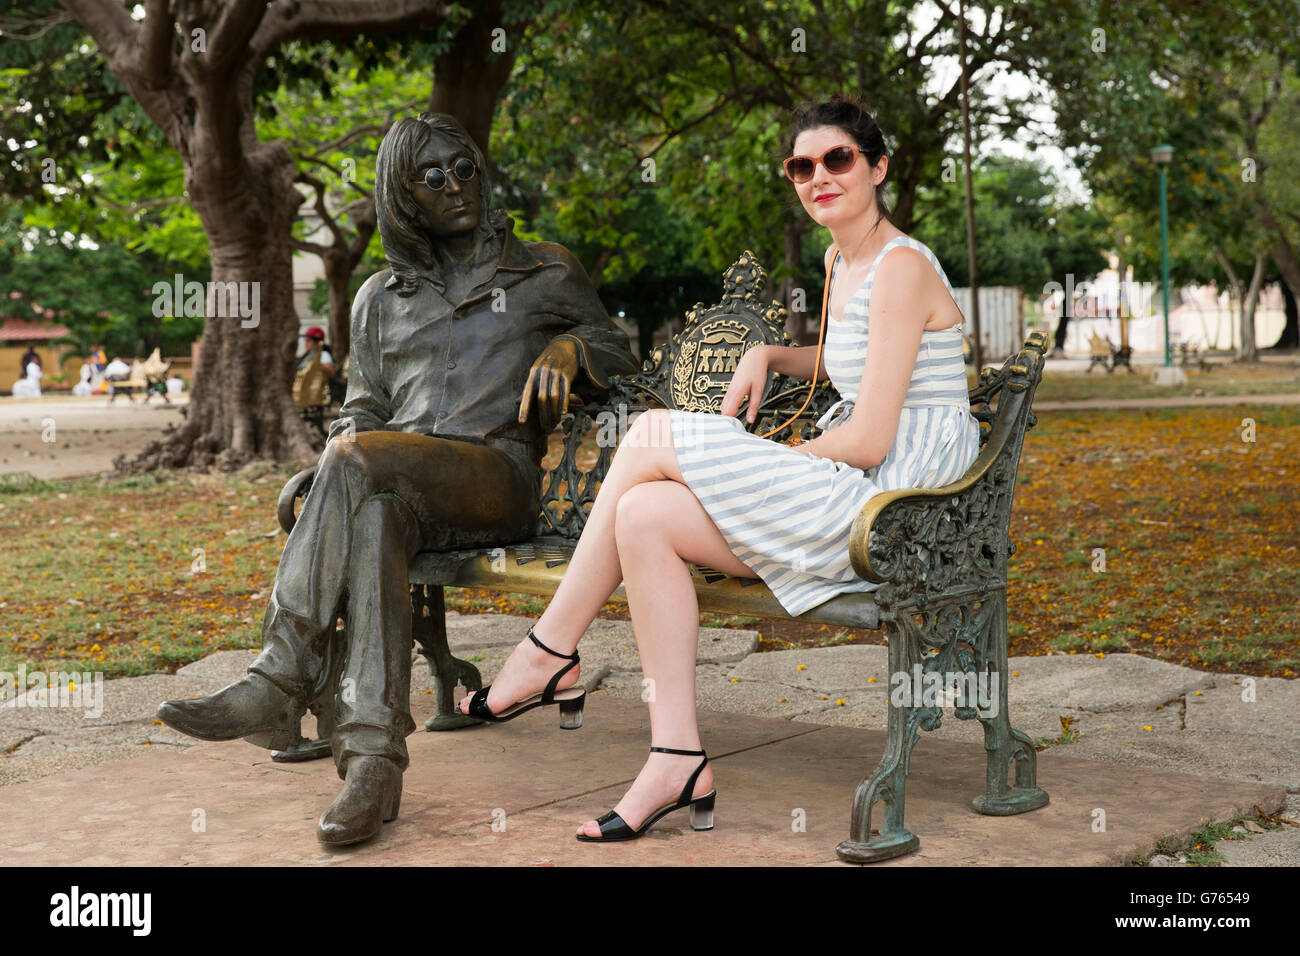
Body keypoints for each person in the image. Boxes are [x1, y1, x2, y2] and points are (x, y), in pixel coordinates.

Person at [455, 93, 982, 843]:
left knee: (651, 434)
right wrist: (771, 352)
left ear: (878, 167)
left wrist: (776, 457)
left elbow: (867, 439)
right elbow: (848, 362)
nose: (818, 177)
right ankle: (677, 757)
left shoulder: (900, 266)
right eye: (802, 166)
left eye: (838, 159)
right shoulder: (842, 259)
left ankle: (545, 653)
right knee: (642, 516)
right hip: (850, 488)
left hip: (891, 509)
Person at [157, 112, 639, 846]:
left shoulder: (543, 269)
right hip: (400, 487)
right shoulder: (380, 298)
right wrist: (355, 444)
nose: (455, 185)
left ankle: (282, 675)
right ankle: (372, 762)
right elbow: (362, 411)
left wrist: (574, 348)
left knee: (353, 465)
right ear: (404, 196)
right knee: (375, 513)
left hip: (496, 480)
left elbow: (618, 347)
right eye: (432, 176)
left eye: (464, 167)